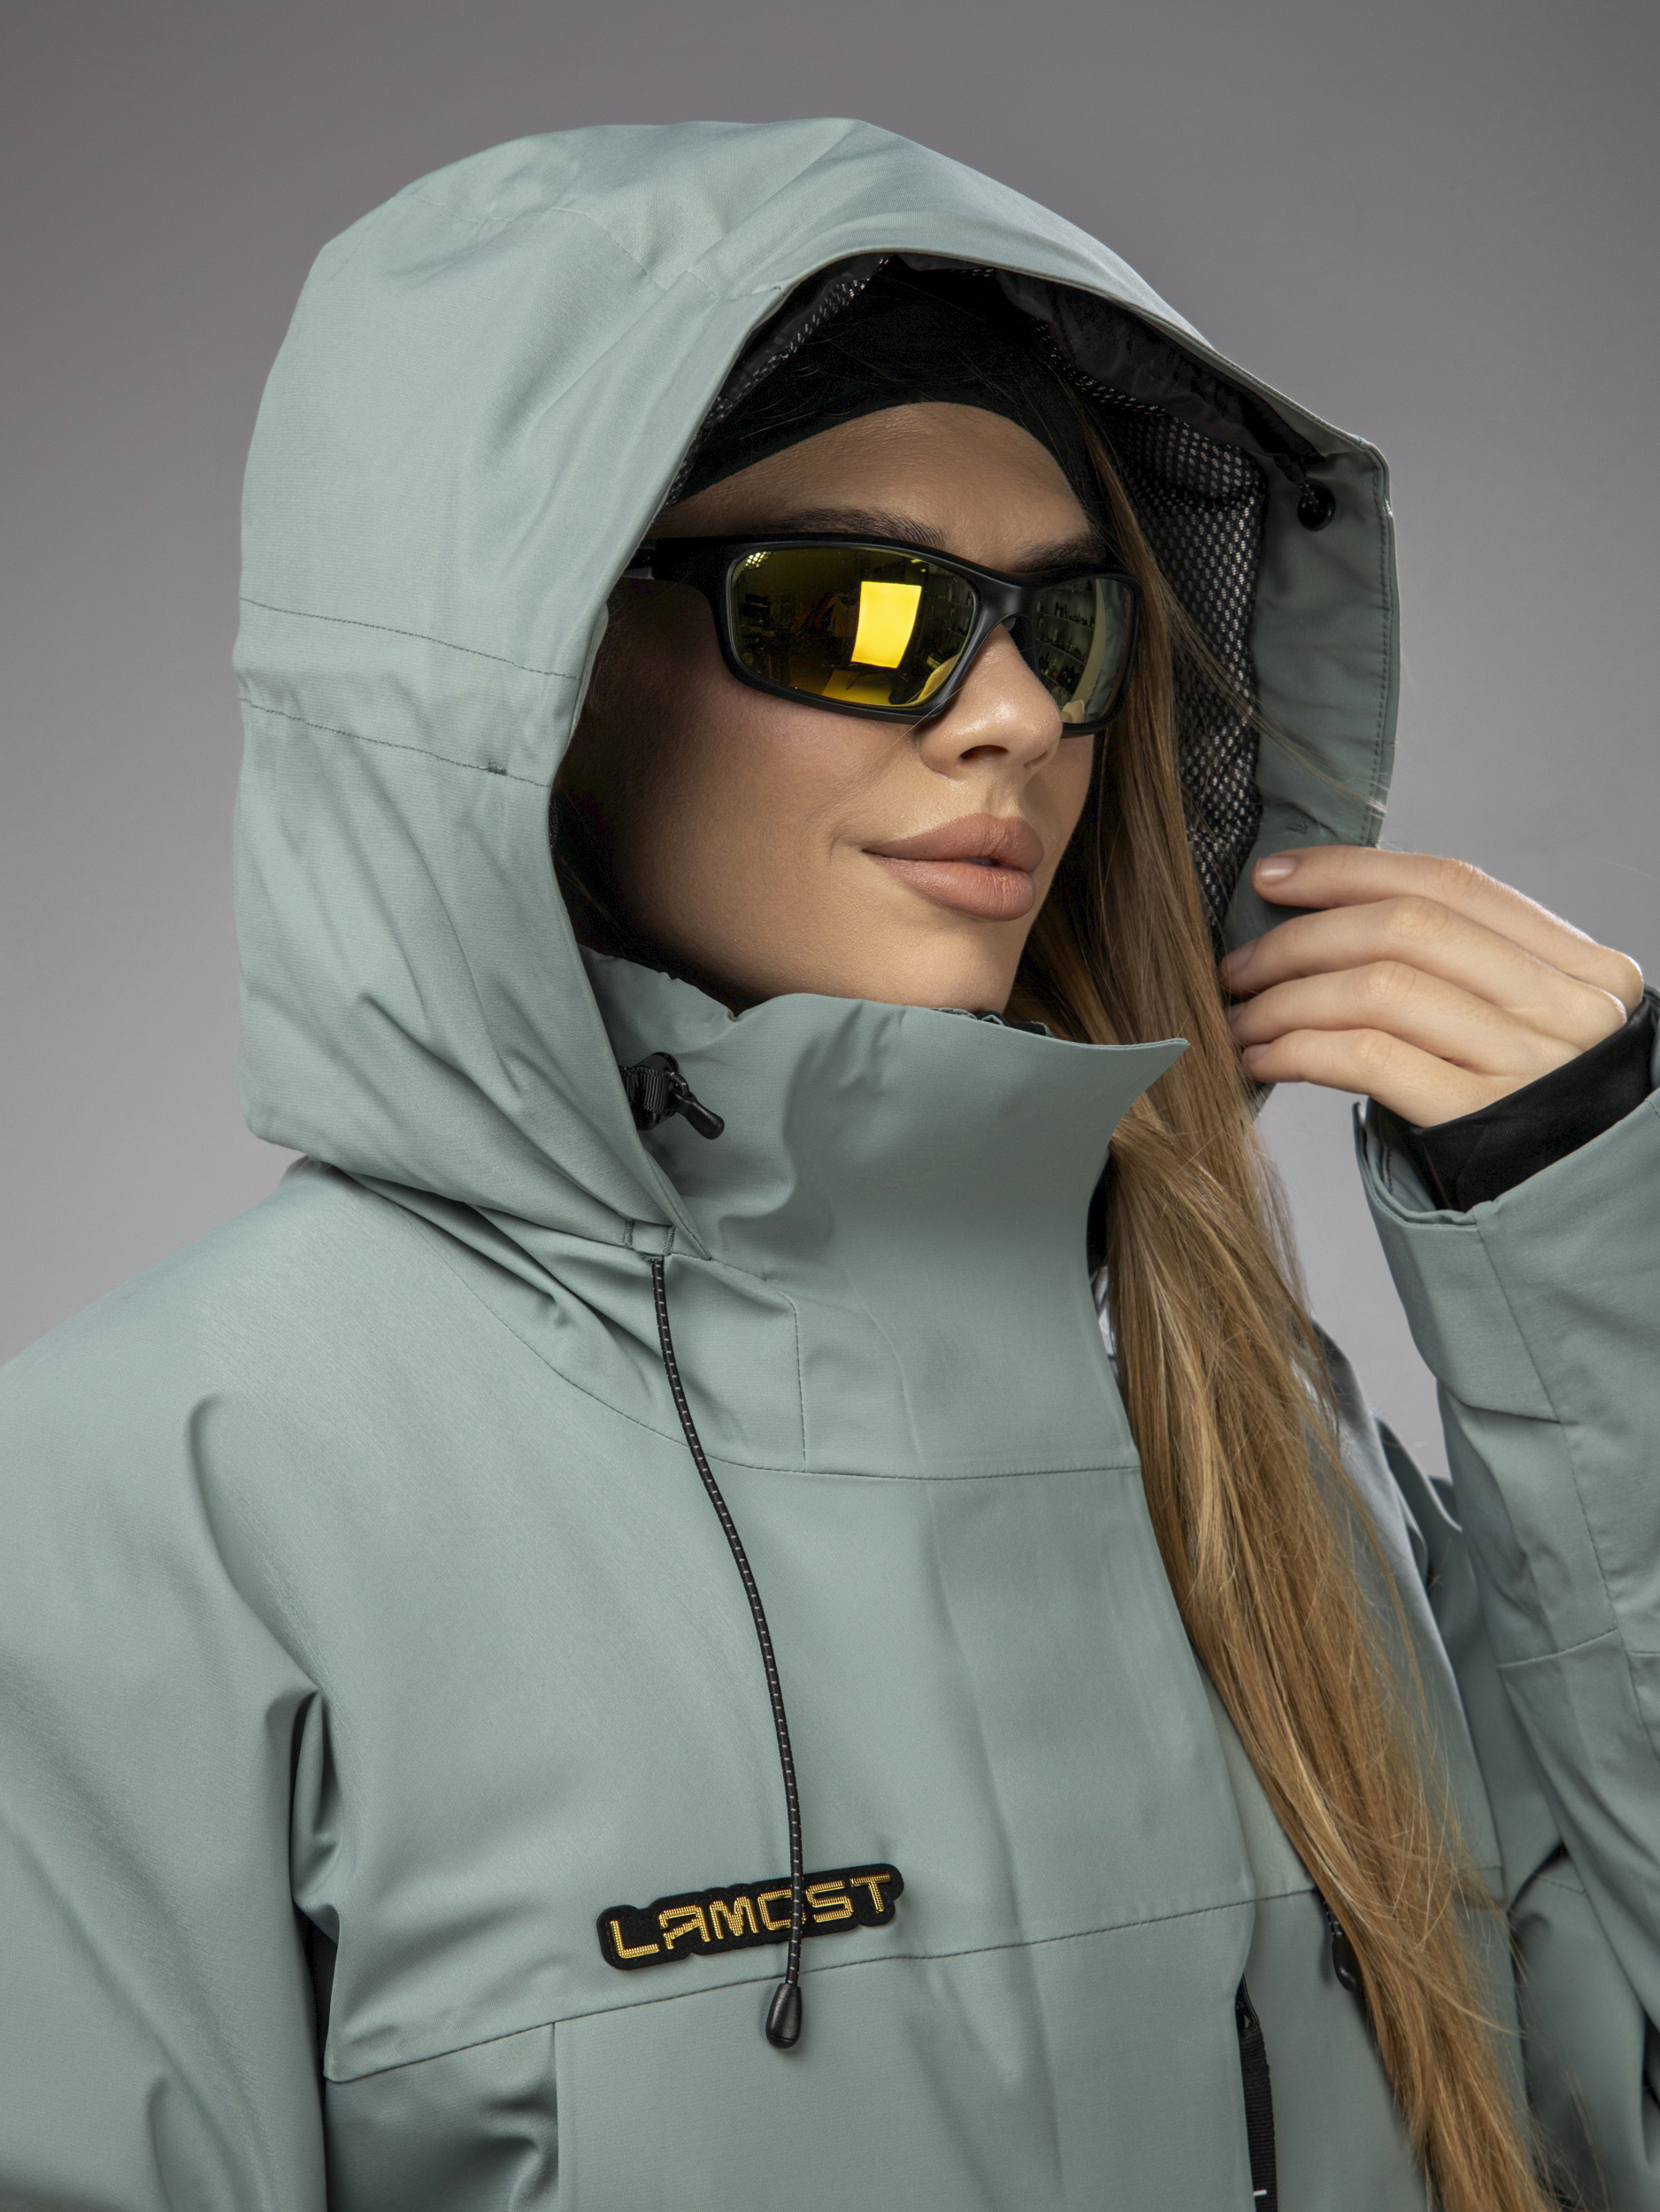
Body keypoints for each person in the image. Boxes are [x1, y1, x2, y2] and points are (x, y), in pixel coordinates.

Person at [1, 118, 1655, 2212]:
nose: (1007, 718)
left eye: (1065, 631)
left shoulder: (1259, 1447)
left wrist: (1594, 1262)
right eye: (859, 614)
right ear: (537, 673)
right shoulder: (165, 1498)